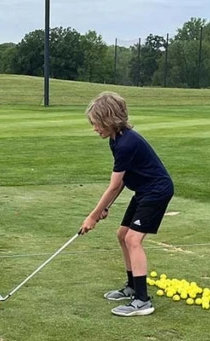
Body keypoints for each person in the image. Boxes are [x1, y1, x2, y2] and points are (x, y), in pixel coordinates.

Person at [79, 91, 174, 317]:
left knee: (133, 239)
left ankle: (142, 301)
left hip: (156, 191)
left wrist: (93, 216)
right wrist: (104, 207)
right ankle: (132, 286)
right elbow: (121, 181)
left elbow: (113, 186)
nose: (94, 129)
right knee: (123, 234)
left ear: (109, 120)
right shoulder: (116, 140)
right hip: (143, 191)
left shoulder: (126, 144)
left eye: (96, 124)